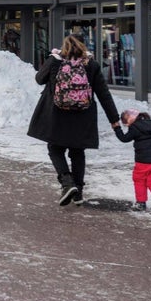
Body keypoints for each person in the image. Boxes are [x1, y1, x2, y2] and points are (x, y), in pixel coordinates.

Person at [27, 34, 120, 206]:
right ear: (83, 46)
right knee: (77, 152)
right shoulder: (91, 65)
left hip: (57, 116)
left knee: (55, 149)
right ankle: (78, 192)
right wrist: (114, 120)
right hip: (82, 117)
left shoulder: (55, 62)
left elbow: (39, 79)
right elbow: (103, 94)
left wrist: (51, 59)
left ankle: (67, 182)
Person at [114, 109, 151, 213]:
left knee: (139, 181)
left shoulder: (135, 128)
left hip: (143, 162)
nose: (126, 125)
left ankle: (141, 203)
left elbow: (124, 138)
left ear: (130, 119)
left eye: (125, 122)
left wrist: (117, 128)